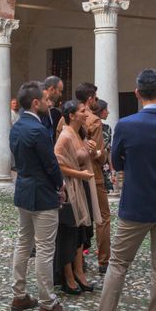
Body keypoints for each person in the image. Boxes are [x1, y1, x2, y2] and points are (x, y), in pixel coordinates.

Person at [82, 69, 156, 311]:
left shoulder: (126, 125)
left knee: (118, 264)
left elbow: (116, 162)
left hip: (136, 204)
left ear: (137, 93)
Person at [9, 81, 77, 311]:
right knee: (46, 250)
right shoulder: (37, 130)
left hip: (23, 191)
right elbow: (51, 164)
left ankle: (19, 295)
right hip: (42, 194)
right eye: (46, 101)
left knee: (23, 243)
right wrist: (61, 186)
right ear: (36, 103)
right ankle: (48, 304)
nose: (50, 104)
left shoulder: (17, 126)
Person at [60, 82, 111, 275]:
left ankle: (76, 261)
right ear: (90, 99)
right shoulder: (94, 121)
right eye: (96, 98)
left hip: (69, 175)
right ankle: (104, 260)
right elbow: (97, 154)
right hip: (92, 175)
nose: (96, 102)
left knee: (76, 218)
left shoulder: (63, 120)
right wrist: (102, 153)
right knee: (103, 218)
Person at [54, 100, 101, 295]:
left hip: (82, 186)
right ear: (72, 115)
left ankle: (79, 272)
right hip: (72, 188)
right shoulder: (65, 135)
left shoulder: (79, 133)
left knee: (81, 232)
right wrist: (80, 174)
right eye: (83, 111)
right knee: (70, 233)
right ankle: (69, 277)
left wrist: (91, 149)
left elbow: (81, 156)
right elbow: (58, 163)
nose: (86, 114)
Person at [94, 100, 116, 193]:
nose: (108, 112)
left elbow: (109, 151)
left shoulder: (107, 129)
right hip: (94, 165)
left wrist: (112, 171)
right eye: (106, 110)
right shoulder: (92, 127)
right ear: (100, 111)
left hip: (106, 167)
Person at [42, 75, 64, 142]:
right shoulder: (39, 111)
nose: (60, 94)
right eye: (59, 91)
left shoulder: (55, 113)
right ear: (52, 89)